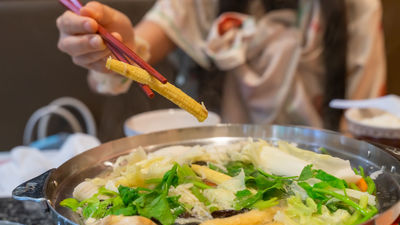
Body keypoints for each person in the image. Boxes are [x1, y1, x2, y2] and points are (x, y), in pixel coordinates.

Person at [56, 0, 386, 131]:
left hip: (317, 170)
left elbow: (365, 117)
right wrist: (115, 45)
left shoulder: (358, 6)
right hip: (215, 168)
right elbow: (137, 45)